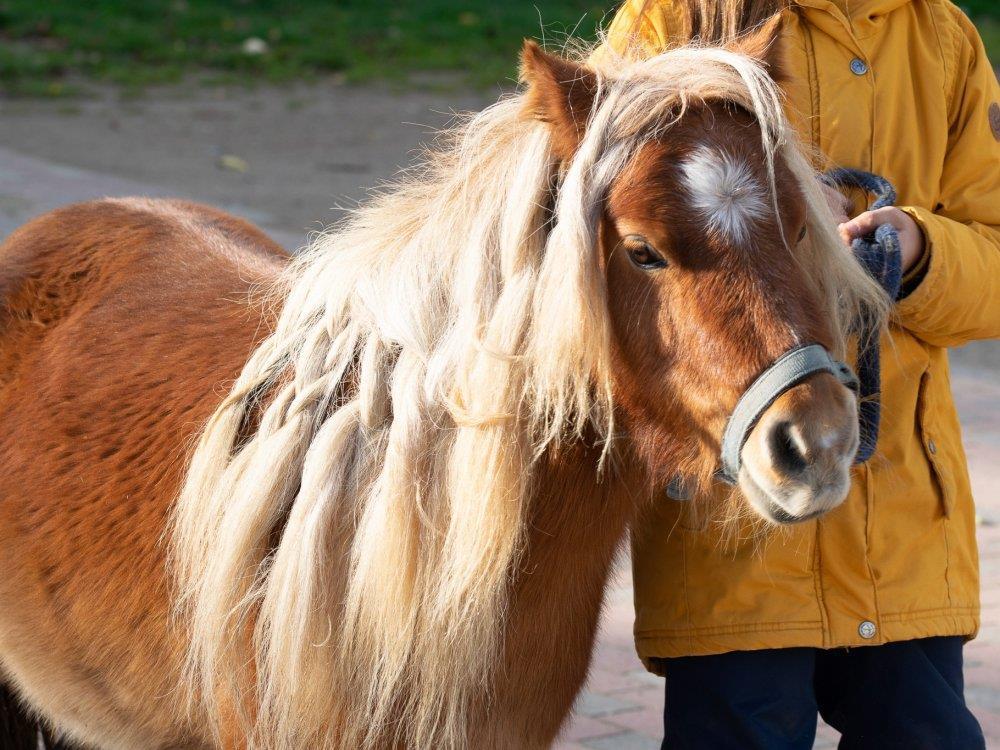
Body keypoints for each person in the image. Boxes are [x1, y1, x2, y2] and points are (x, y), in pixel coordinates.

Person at [599, 0, 1000, 747]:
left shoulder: (941, 36)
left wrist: (917, 251)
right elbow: (589, 243)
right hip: (733, 532)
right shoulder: (671, 19)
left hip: (902, 529)